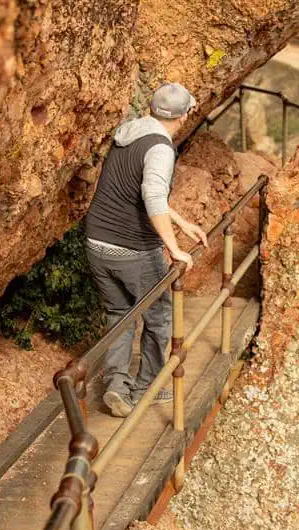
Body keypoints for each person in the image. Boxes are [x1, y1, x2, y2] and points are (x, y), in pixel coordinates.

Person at [85, 83, 207, 418]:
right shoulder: (160, 148)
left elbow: (135, 192)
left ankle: (116, 386)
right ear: (183, 116)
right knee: (159, 317)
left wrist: (180, 223)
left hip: (97, 242)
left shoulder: (128, 134)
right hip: (132, 247)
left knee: (119, 314)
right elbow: (152, 198)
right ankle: (146, 389)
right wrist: (175, 248)